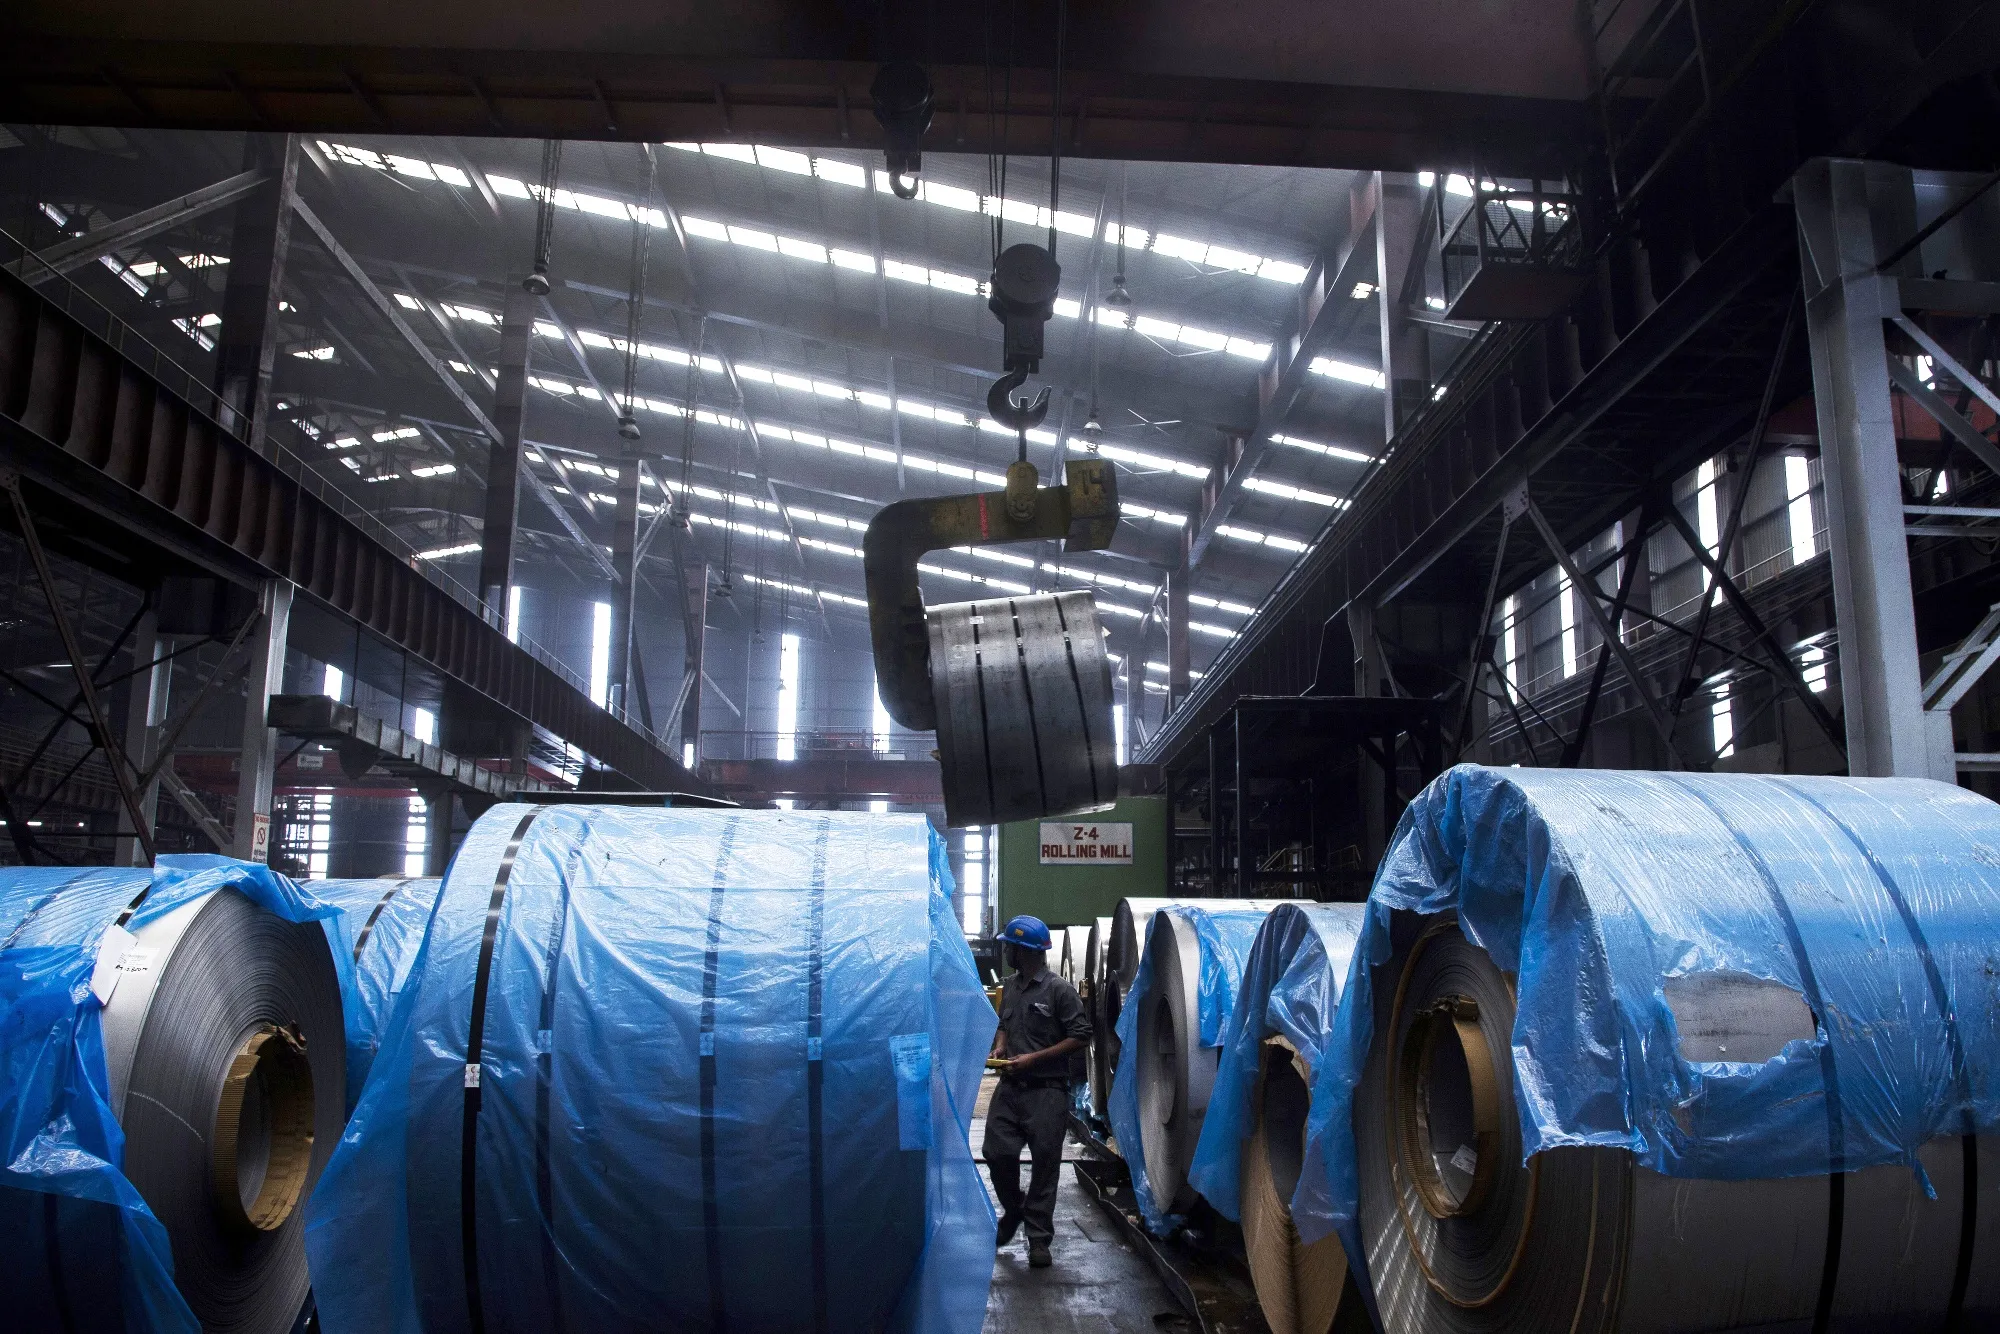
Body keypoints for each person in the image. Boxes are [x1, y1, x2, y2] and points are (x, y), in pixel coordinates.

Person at [983, 914, 1090, 1269]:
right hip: (1010, 1089)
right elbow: (1004, 1024)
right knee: (996, 1152)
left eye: (1009, 947)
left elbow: (1080, 1036)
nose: (1006, 952)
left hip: (1046, 1092)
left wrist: (1034, 1059)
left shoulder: (1059, 991)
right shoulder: (1011, 987)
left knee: (1045, 1166)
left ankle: (1038, 1238)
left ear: (1023, 951)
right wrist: (1000, 1047)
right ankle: (1014, 1211)